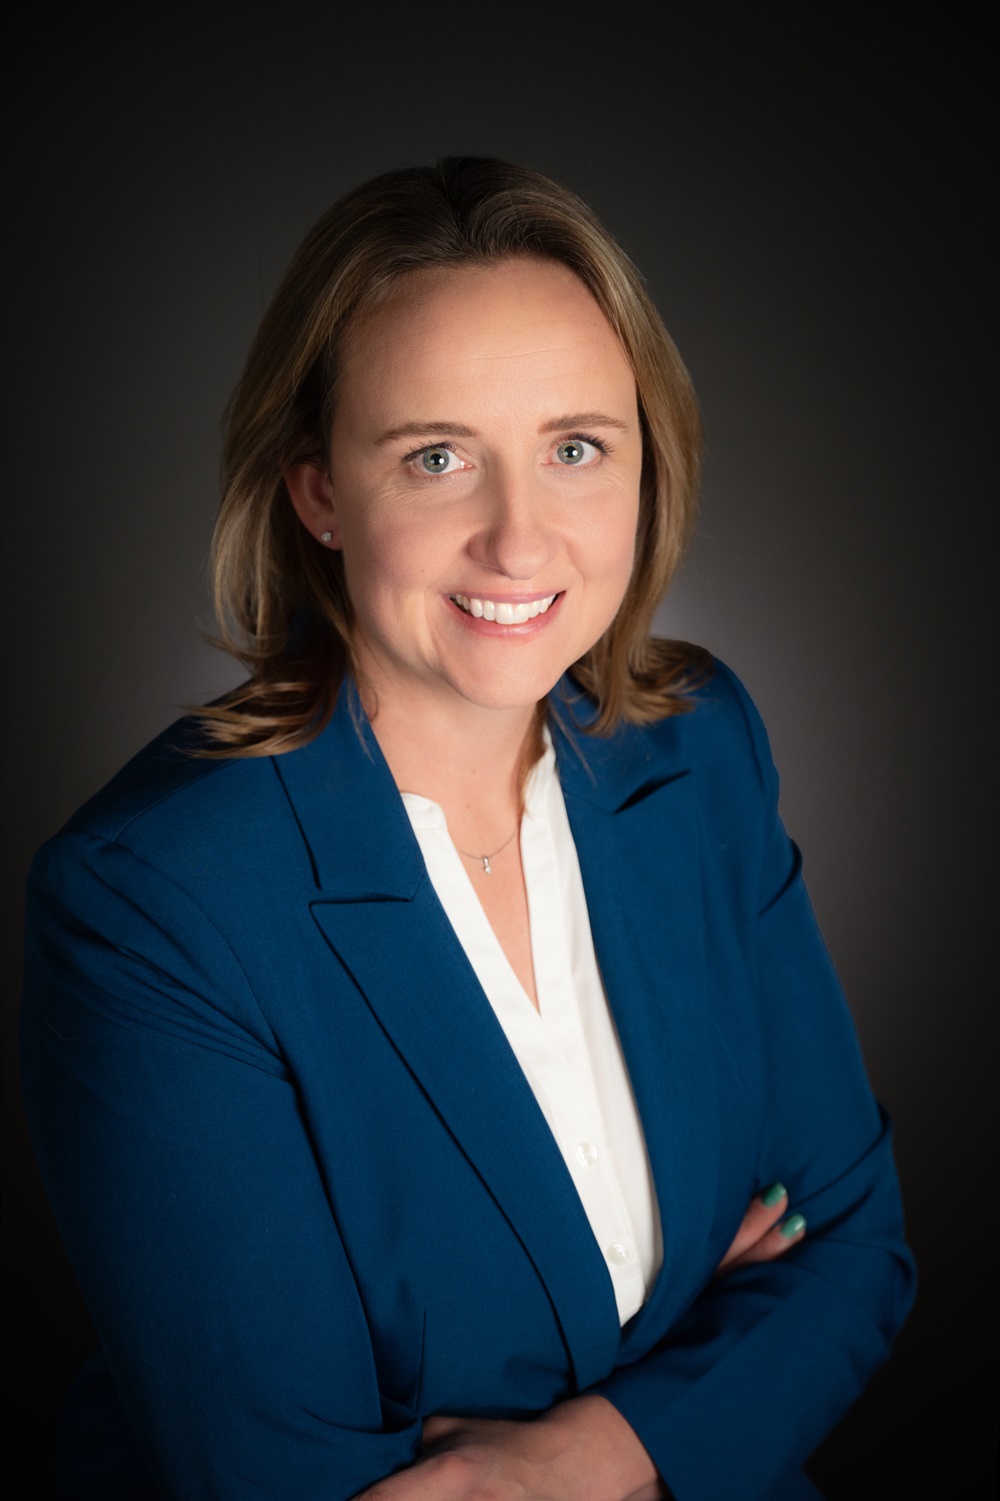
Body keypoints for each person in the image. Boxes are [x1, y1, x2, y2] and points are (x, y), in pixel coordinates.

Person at [20, 157, 915, 1501]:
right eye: (438, 457)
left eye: (574, 448)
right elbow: (294, 1477)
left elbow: (852, 1243)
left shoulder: (699, 747)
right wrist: (700, 1357)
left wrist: (590, 1450)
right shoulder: (153, 898)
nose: (519, 537)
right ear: (317, 489)